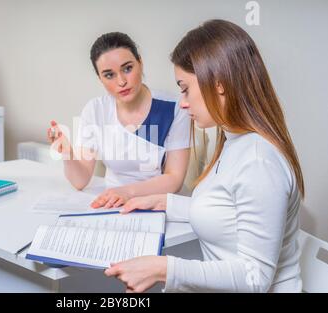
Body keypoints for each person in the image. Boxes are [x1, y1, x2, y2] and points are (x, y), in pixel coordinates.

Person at [104, 19, 304, 293]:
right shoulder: (233, 142)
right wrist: (164, 202)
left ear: (219, 84)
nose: (183, 102)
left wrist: (162, 268)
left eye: (185, 88)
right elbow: (228, 212)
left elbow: (255, 278)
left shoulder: (259, 161)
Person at [48, 32, 191, 208]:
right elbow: (80, 181)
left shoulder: (174, 108)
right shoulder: (95, 110)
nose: (122, 81)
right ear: (100, 78)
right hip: (112, 203)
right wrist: (67, 154)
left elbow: (174, 179)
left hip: (157, 202)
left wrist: (126, 192)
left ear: (140, 63)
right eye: (109, 75)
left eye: (127, 68)